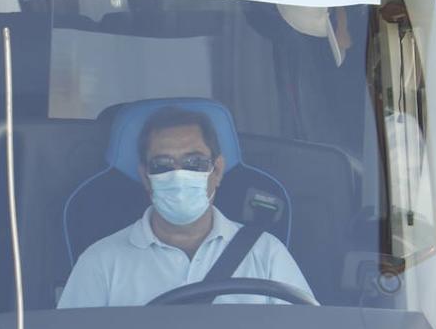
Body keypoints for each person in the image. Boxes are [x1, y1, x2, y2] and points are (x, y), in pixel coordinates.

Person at [58, 107, 314, 307]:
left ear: (218, 170)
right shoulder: (101, 262)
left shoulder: (266, 254)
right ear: (146, 177)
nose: (179, 175)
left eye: (194, 163)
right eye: (163, 165)